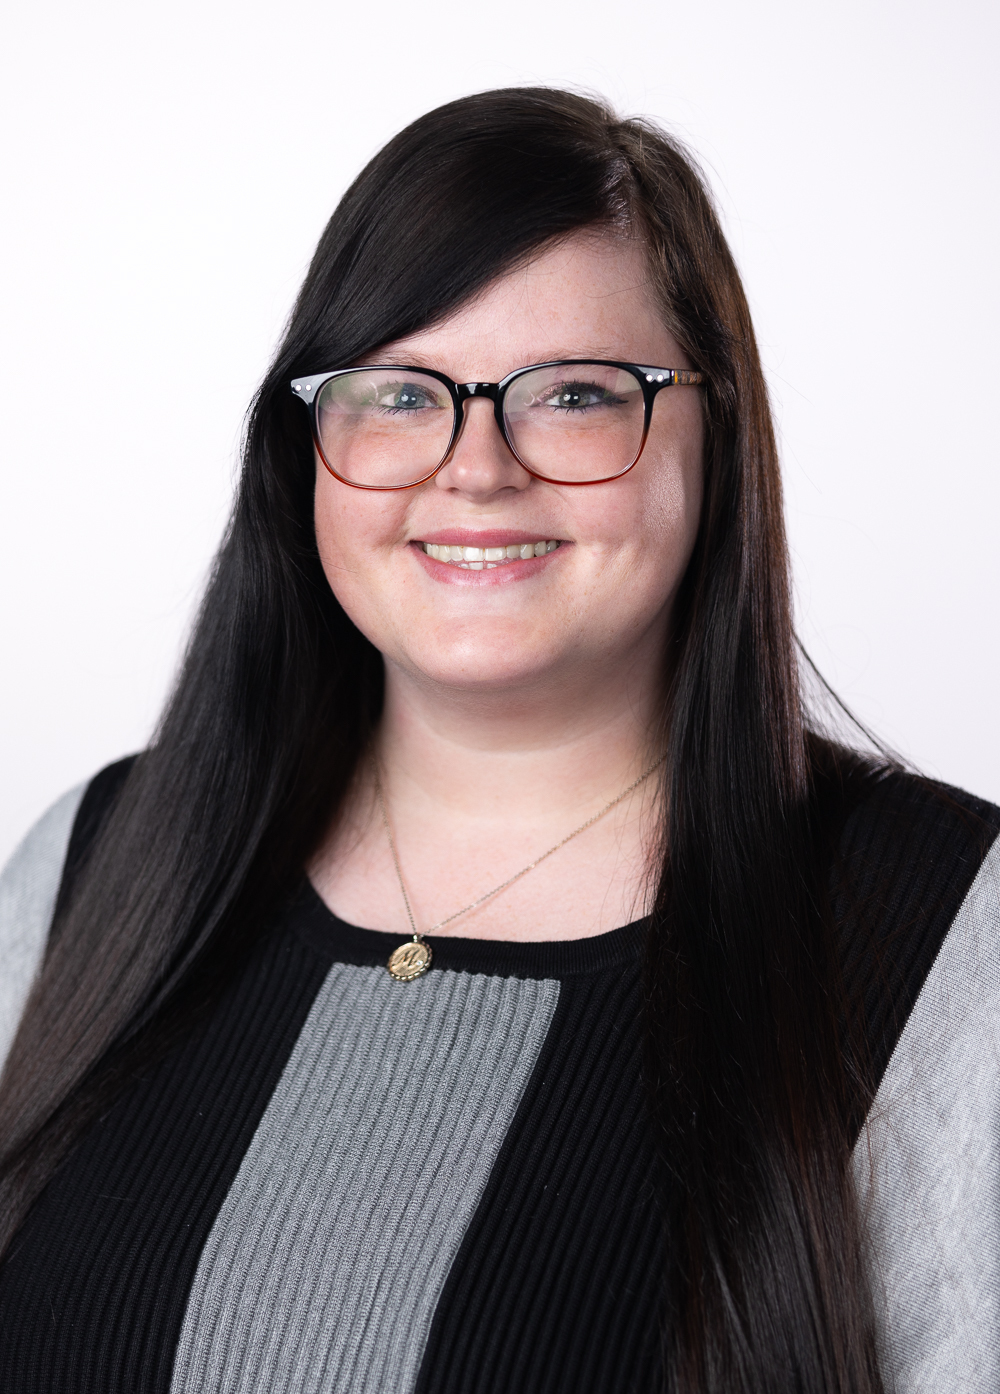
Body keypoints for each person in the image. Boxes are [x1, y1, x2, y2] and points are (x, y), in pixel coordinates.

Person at [0, 87, 997, 1394]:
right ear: (306, 448)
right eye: (399, 394)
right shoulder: (92, 861)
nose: (475, 466)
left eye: (575, 392)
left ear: (720, 435)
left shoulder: (942, 927)